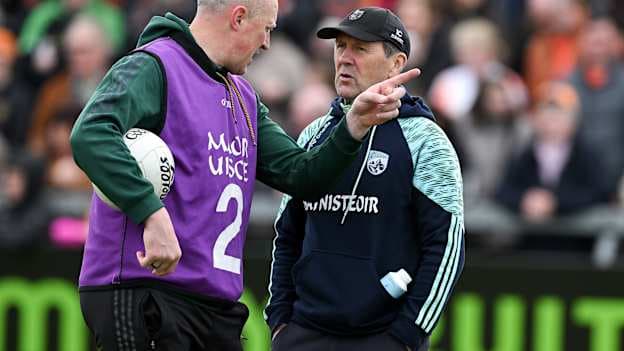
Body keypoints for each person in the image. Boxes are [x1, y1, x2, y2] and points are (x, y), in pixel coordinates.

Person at [70, 0, 420, 350]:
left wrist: (354, 125)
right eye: (266, 28)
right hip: (146, 290)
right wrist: (151, 213)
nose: (267, 43)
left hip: (214, 309)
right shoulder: (155, 65)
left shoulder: (243, 97)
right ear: (238, 17)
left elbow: (302, 175)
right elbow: (92, 134)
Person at [265, 7, 464, 351]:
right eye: (340, 46)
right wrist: (281, 319)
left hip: (382, 336)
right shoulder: (314, 133)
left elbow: (447, 247)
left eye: (360, 48)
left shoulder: (424, 140)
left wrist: (407, 335)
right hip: (304, 332)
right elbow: (287, 234)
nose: (344, 58)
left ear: (396, 63)